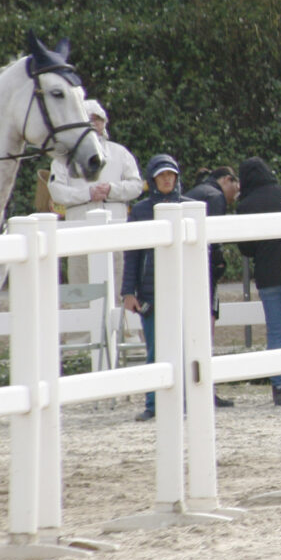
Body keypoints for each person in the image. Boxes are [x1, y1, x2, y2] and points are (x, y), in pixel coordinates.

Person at [235, 156, 281, 406]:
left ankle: (279, 387)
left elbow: (246, 249)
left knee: (276, 332)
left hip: (268, 276)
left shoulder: (245, 205)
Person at [119, 154, 183, 418]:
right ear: (152, 180)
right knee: (155, 350)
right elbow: (132, 254)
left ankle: (185, 402)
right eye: (162, 176)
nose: (167, 180)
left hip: (183, 292)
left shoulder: (189, 207)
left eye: (171, 175)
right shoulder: (140, 211)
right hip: (151, 293)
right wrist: (128, 292)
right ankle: (153, 405)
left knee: (186, 348)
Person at [182, 166, 242, 407]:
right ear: (227, 179)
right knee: (207, 326)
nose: (236, 194)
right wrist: (219, 264)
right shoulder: (215, 197)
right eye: (236, 187)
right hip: (203, 272)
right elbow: (213, 239)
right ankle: (206, 389)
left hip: (184, 269)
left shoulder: (195, 192)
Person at [48, 99, 144, 218]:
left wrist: (111, 189)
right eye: (89, 119)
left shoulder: (121, 153)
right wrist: (87, 194)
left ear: (104, 122)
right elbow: (56, 191)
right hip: (79, 224)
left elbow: (136, 186)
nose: (94, 123)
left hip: (115, 223)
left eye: (97, 119)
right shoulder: (63, 158)